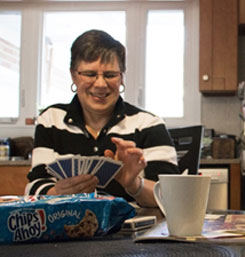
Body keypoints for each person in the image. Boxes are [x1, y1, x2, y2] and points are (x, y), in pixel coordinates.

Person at [25, 30, 179, 207]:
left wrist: (134, 185)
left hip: (134, 233)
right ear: (73, 75)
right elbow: (34, 187)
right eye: (90, 74)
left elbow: (173, 198)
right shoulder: (51, 120)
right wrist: (58, 193)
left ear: (122, 78)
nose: (100, 84)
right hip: (67, 230)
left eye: (110, 75)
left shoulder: (148, 124)